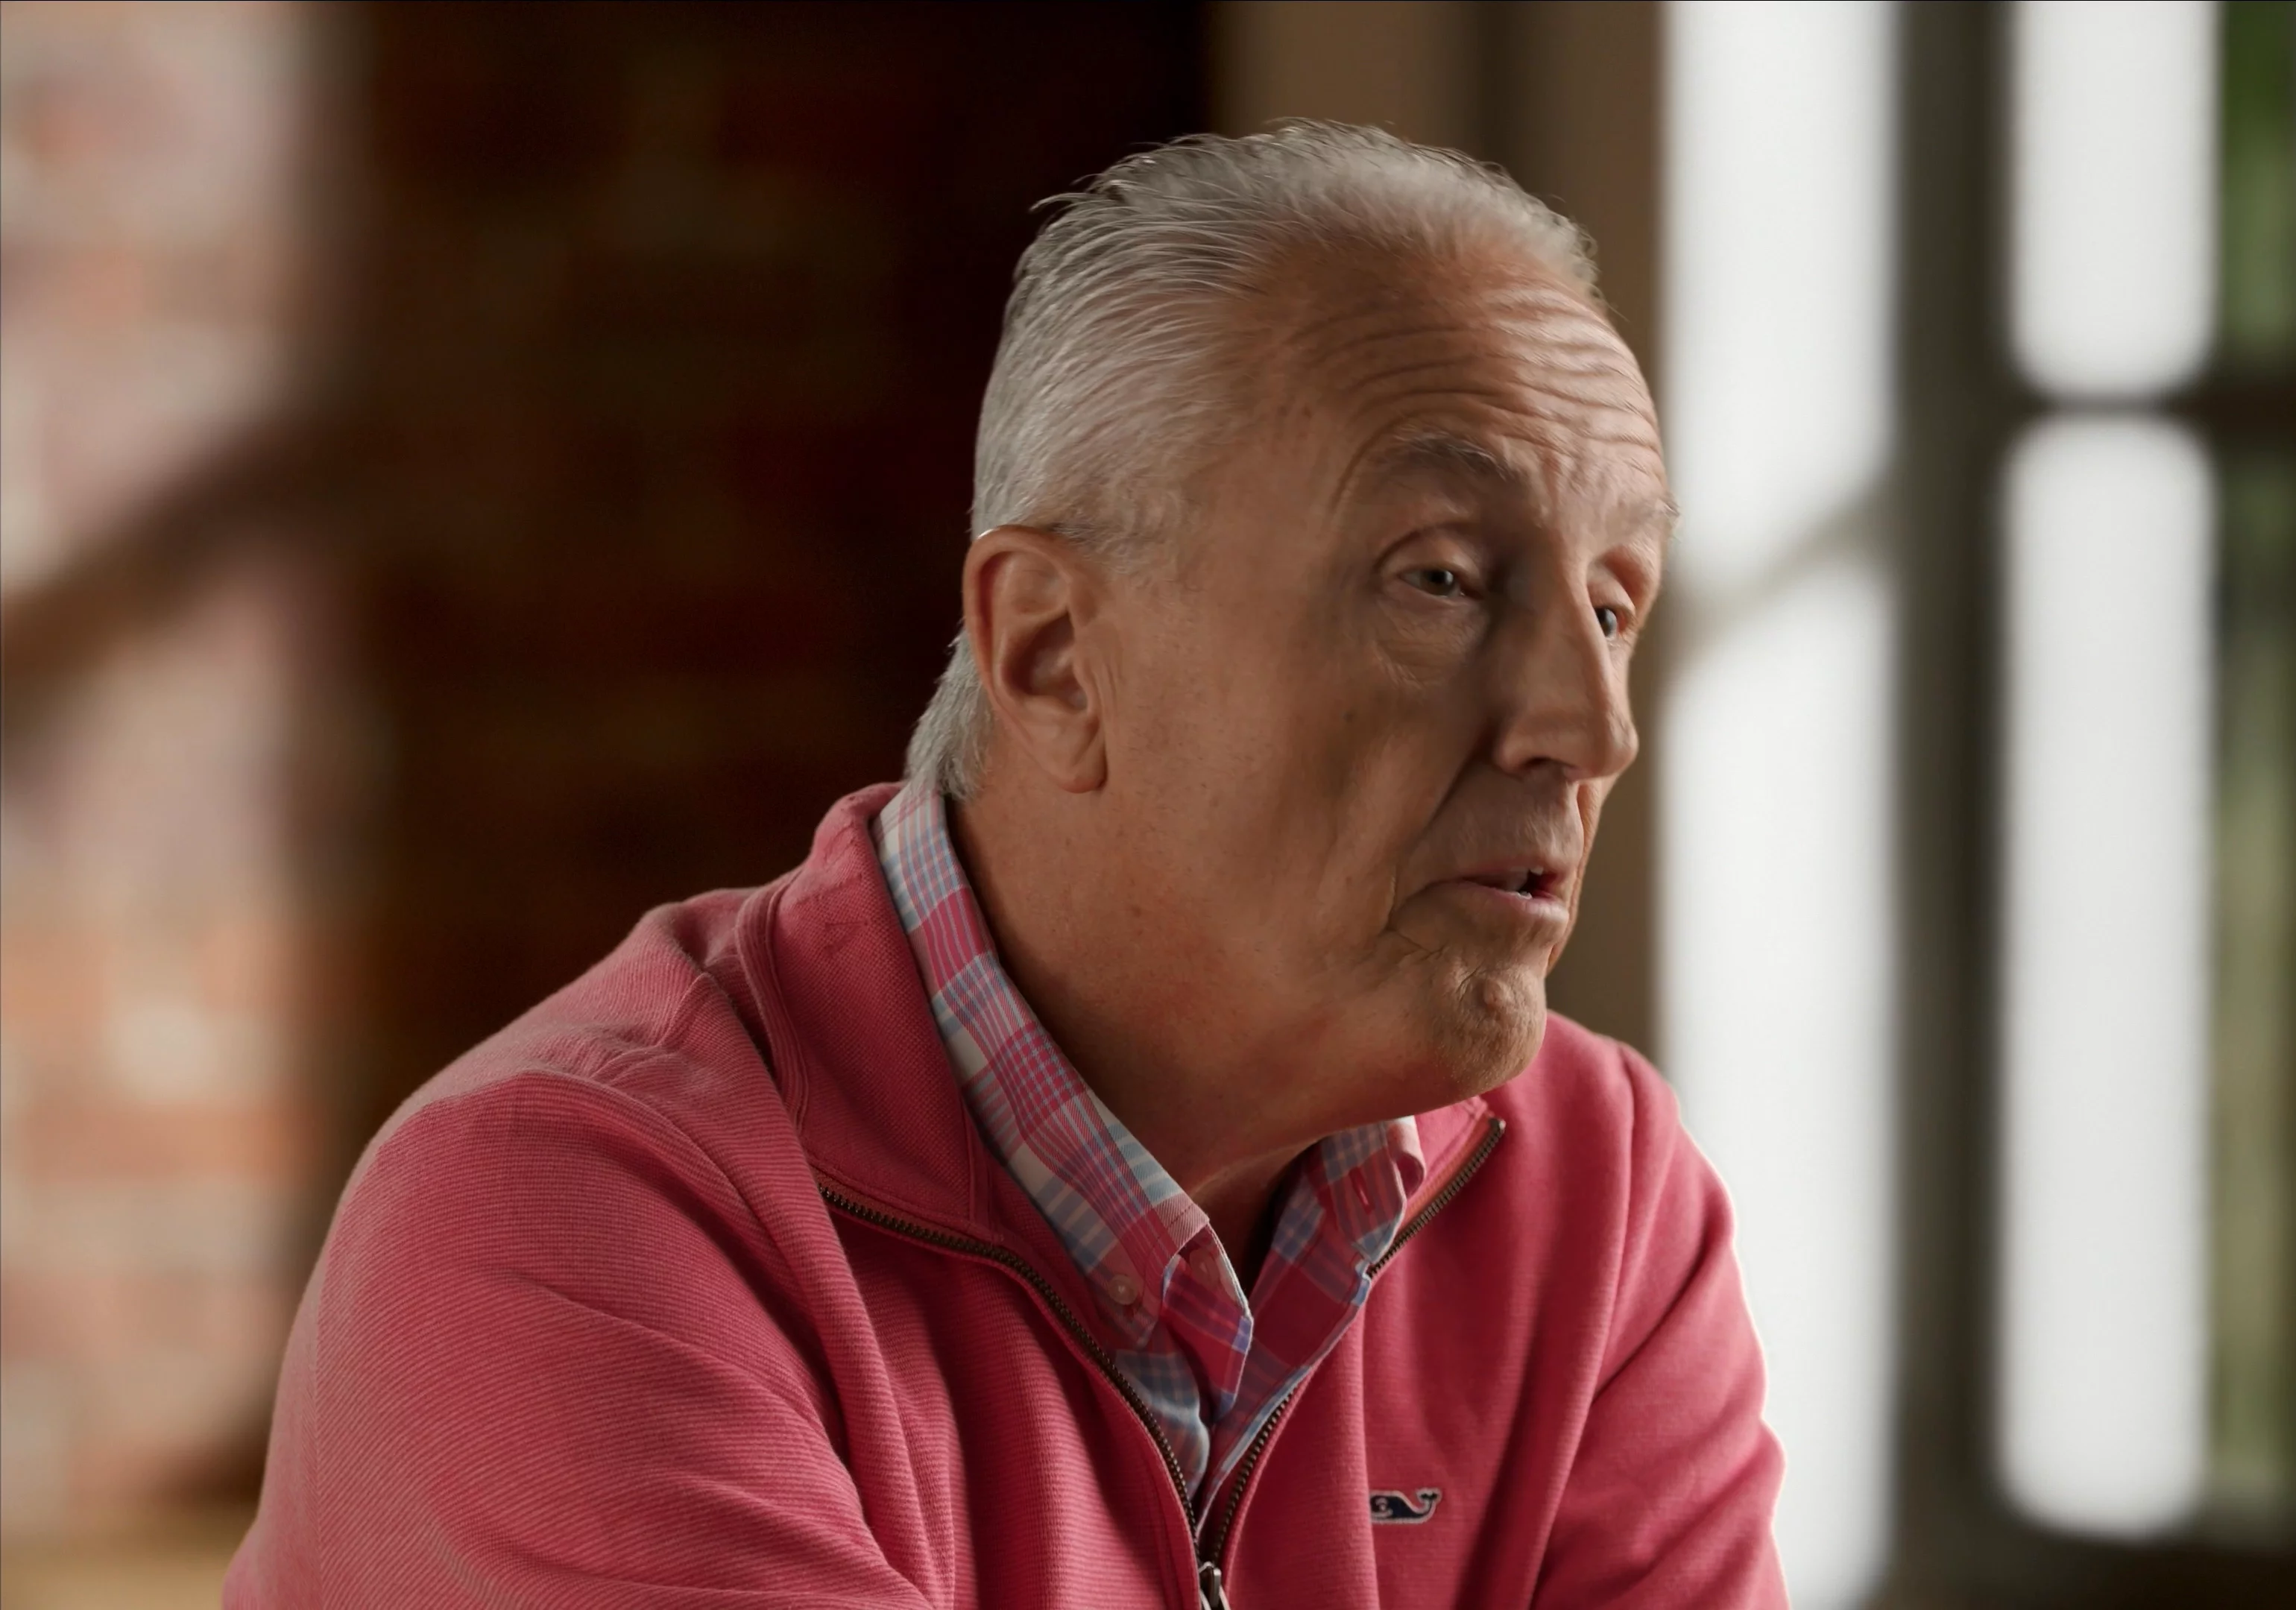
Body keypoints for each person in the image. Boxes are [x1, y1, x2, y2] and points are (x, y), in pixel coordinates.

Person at [228, 123, 1785, 1609]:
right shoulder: (557, 1219)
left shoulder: (1596, 1193)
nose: (1592, 727)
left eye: (1613, 605)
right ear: (1050, 653)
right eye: (1439, 578)